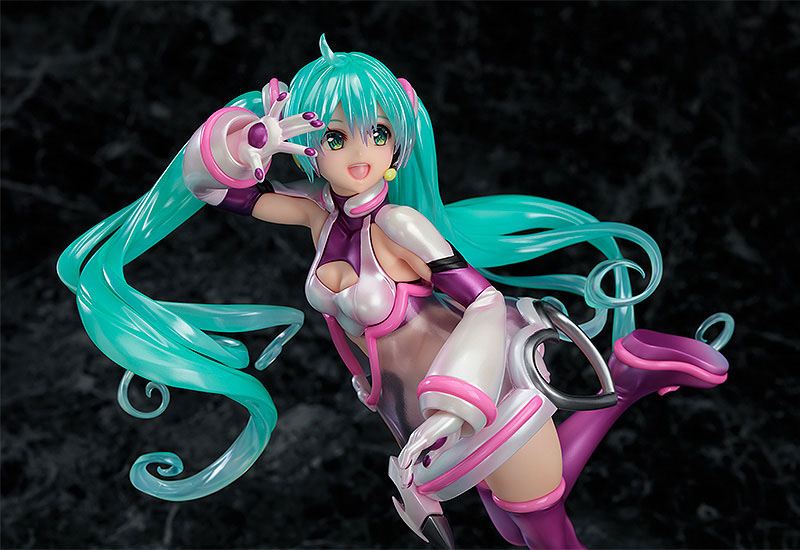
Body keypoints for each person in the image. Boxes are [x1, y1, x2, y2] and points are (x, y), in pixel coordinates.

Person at [57, 35, 733, 549]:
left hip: (480, 401)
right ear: (310, 146)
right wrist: (258, 138)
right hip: (421, 422)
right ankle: (631, 373)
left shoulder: (401, 225)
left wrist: (451, 410)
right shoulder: (318, 217)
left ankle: (631, 375)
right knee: (514, 524)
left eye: (377, 133)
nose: (360, 152)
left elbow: (484, 302)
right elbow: (216, 191)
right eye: (336, 135)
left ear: (397, 145)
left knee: (545, 533)